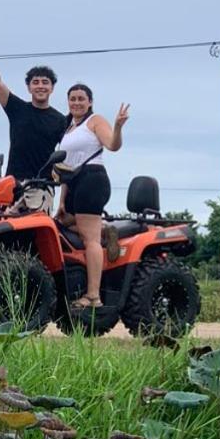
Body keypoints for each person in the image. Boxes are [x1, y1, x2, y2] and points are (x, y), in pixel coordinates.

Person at [55, 84, 129, 310]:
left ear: (90, 102)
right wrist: (61, 202)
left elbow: (113, 145)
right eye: (72, 99)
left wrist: (117, 126)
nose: (76, 102)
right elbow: (65, 168)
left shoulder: (94, 121)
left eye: (81, 99)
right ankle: (106, 232)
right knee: (61, 223)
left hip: (92, 179)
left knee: (90, 240)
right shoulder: (68, 128)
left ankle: (93, 296)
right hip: (73, 182)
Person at [0, 29, 66, 180]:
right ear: (29, 88)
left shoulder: (60, 120)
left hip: (41, 185)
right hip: (12, 183)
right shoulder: (17, 109)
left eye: (45, 82)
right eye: (35, 82)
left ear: (52, 88)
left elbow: (68, 152)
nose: (40, 86)